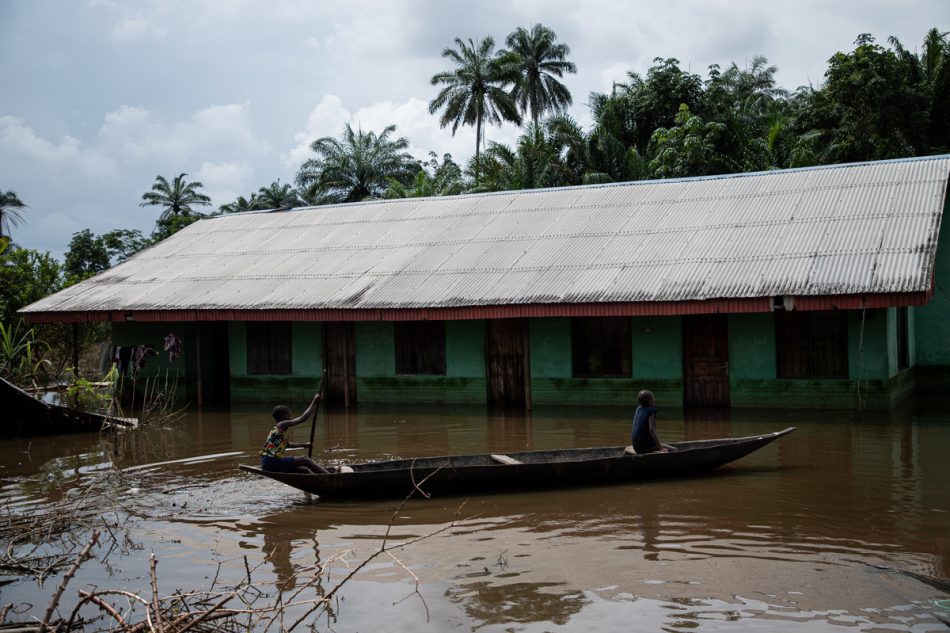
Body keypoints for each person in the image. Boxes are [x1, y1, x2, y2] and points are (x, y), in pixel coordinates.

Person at [260, 393, 333, 474]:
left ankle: (319, 479)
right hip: (271, 462)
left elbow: (287, 444)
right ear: (282, 417)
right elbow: (303, 418)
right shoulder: (281, 425)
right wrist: (314, 402)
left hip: (268, 463)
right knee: (305, 459)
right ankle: (329, 476)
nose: (291, 415)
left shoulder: (280, 430)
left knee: (304, 470)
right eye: (289, 413)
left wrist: (304, 445)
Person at [630, 390, 675, 454]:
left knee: (658, 444)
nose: (654, 400)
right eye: (653, 398)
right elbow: (651, 430)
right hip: (645, 448)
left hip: (636, 447)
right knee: (674, 449)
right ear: (650, 401)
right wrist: (660, 448)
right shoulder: (651, 410)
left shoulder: (638, 409)